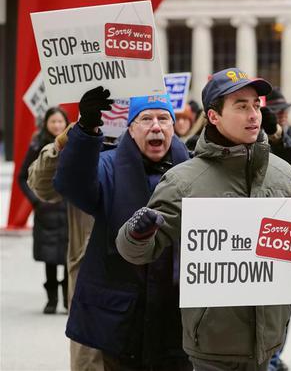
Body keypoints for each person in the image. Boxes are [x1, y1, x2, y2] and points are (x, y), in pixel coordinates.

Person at [115, 67, 291, 371]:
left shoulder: (283, 174)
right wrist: (137, 232)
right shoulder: (182, 181)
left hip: (269, 343)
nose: (253, 114)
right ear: (214, 116)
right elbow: (136, 252)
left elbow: (284, 250)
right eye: (241, 106)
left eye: (255, 105)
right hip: (212, 347)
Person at [53, 87, 193, 370]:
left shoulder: (192, 169)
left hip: (175, 321)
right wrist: (86, 129)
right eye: (146, 119)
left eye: (164, 119)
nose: (156, 126)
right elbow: (73, 185)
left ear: (173, 127)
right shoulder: (107, 165)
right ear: (130, 129)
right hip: (120, 319)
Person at [27, 123, 104, 370]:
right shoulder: (80, 154)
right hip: (88, 292)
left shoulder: (157, 153)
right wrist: (62, 143)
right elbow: (40, 185)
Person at [18, 106, 69, 314]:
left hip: (67, 209)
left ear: (66, 124)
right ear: (46, 123)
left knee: (68, 256)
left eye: (60, 122)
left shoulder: (73, 143)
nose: (57, 125)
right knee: (49, 257)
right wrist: (36, 201)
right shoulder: (37, 144)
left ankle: (68, 298)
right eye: (53, 122)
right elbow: (22, 177)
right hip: (45, 210)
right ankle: (51, 299)